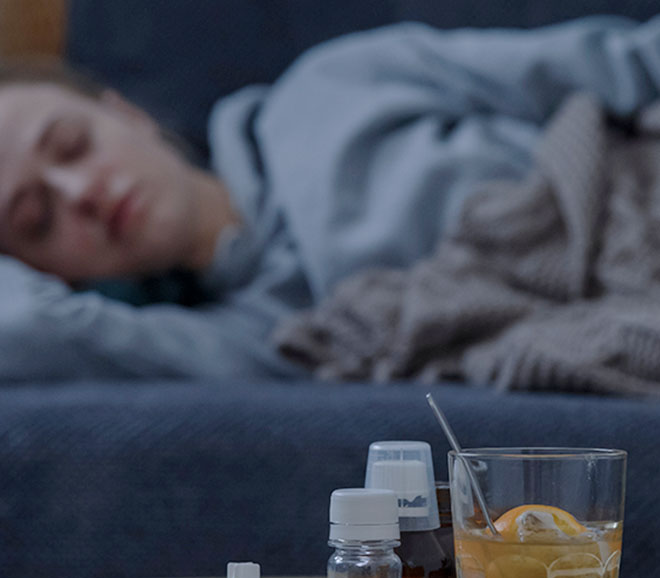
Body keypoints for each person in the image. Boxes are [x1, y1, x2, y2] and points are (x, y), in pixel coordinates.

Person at [0, 15, 659, 381]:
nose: (79, 193)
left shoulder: (333, 87)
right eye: (37, 220)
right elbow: (31, 331)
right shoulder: (256, 338)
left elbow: (623, 62)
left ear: (127, 113)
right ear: (43, 272)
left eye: (71, 144)